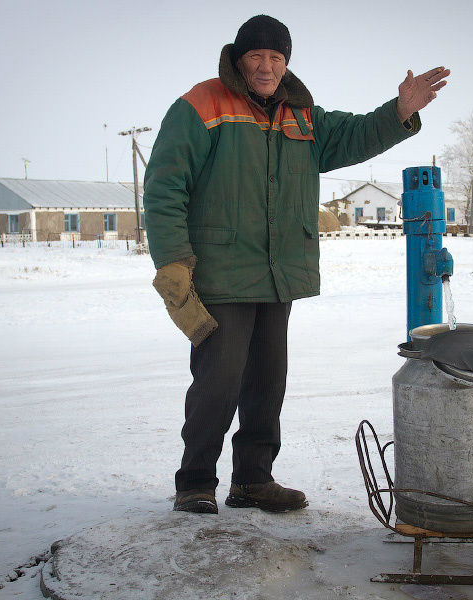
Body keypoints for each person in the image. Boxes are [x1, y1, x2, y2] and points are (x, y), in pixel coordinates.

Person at [143, 15, 449, 514]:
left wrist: (400, 111)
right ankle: (196, 480)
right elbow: (163, 188)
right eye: (257, 57)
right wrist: (173, 263)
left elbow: (355, 134)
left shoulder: (302, 115)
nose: (267, 67)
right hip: (221, 271)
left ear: (286, 62)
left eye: (277, 58)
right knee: (218, 382)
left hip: (278, 270)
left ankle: (253, 480)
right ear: (239, 58)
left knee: (268, 381)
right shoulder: (201, 105)